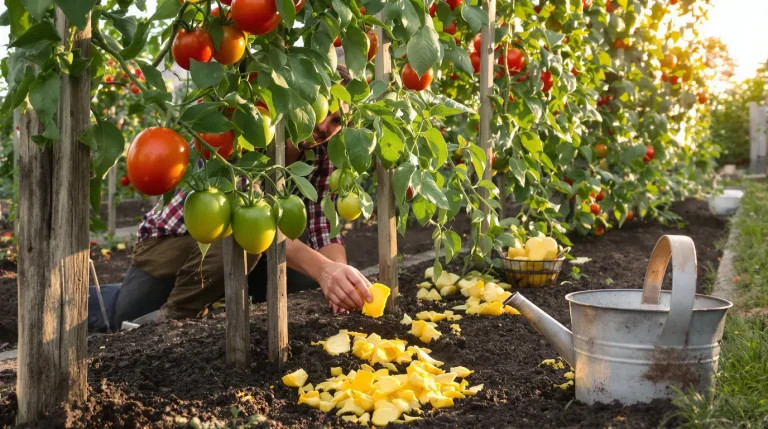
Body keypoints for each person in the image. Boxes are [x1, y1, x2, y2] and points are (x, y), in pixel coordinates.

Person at [108, 65, 371, 330]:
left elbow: (322, 227)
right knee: (121, 319)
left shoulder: (324, 155)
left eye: (337, 121)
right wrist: (324, 270)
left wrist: (341, 278)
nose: (325, 126)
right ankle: (168, 319)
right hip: (171, 243)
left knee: (306, 278)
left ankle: (181, 312)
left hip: (235, 253)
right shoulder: (249, 129)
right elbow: (256, 221)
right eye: (322, 112)